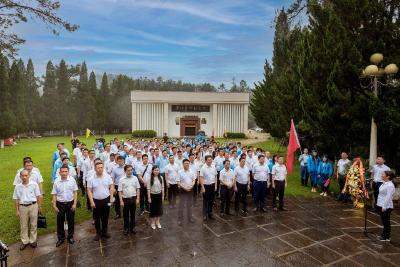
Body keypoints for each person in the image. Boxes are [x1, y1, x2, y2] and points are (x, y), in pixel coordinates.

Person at [13, 169, 41, 250]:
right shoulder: (18, 187)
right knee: (23, 225)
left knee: (33, 224)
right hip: (22, 207)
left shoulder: (34, 184)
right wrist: (17, 210)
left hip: (33, 206)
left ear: (29, 176)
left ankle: (33, 240)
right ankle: (25, 241)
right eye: (23, 176)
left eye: (26, 175)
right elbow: (16, 199)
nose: (24, 177)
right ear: (20, 176)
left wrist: (38, 207)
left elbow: (38, 196)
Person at [51, 165, 78, 247]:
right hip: (60, 204)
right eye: (62, 171)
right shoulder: (56, 181)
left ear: (68, 172)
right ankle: (61, 238)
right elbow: (54, 194)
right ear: (59, 172)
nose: (64, 173)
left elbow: (75, 192)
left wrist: (74, 204)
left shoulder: (72, 180)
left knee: (71, 220)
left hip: (70, 203)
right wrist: (54, 206)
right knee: (60, 221)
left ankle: (70, 237)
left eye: (66, 171)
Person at [87, 162, 115, 241]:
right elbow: (89, 190)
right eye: (98, 167)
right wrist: (91, 201)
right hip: (96, 201)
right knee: (97, 217)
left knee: (105, 216)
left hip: (106, 200)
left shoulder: (107, 177)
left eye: (101, 167)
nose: (100, 169)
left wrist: (111, 197)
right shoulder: (91, 179)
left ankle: (105, 232)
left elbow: (111, 186)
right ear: (95, 168)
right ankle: (98, 233)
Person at [118, 165, 140, 235]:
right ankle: (126, 228)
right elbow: (120, 191)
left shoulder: (135, 178)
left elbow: (138, 188)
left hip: (133, 198)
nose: (130, 172)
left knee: (133, 214)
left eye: (131, 170)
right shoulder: (121, 180)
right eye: (128, 170)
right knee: (126, 215)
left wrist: (138, 198)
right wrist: (121, 201)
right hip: (125, 199)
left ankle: (132, 227)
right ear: (125, 171)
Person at [377, 171, 395, 241]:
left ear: (388, 176)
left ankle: (386, 236)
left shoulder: (390, 185)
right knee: (384, 221)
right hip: (381, 204)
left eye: (383, 174)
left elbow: (388, 197)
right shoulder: (384, 183)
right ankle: (384, 234)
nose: (382, 175)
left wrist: (384, 206)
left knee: (386, 221)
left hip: (386, 206)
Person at [177, 159, 196, 225]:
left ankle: (190, 218)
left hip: (190, 190)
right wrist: (185, 188)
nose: (187, 164)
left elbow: (194, 180)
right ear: (183, 164)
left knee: (189, 205)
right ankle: (180, 219)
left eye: (188, 163)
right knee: (181, 205)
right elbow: (178, 182)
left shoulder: (192, 171)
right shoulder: (180, 172)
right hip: (183, 190)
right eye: (185, 163)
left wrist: (191, 186)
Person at [200, 155, 217, 221]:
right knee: (205, 201)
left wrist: (215, 185)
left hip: (212, 185)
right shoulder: (203, 168)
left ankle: (210, 213)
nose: (210, 161)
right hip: (206, 186)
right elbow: (201, 178)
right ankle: (204, 214)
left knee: (211, 200)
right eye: (208, 160)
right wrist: (203, 187)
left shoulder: (213, 167)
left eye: (211, 160)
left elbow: (215, 176)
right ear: (206, 160)